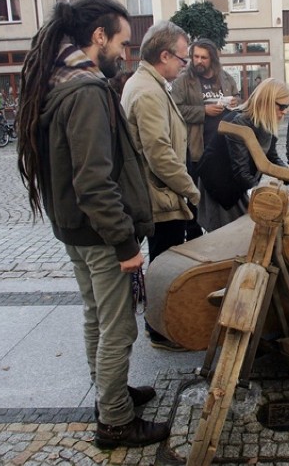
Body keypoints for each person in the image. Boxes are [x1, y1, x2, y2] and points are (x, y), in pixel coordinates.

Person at [15, 0, 168, 449]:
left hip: (76, 230)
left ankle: (111, 397)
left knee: (96, 319)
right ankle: (116, 422)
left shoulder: (58, 78)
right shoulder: (85, 90)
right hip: (100, 236)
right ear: (98, 37)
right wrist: (125, 244)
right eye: (121, 42)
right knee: (117, 327)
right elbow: (95, 182)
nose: (125, 53)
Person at [120, 20, 199, 352]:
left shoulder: (149, 84)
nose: (185, 66)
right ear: (164, 55)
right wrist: (191, 190)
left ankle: (161, 326)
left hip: (162, 194)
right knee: (164, 266)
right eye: (183, 59)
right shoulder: (148, 91)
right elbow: (159, 154)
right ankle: (160, 330)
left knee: (164, 262)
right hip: (161, 198)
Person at [197, 78, 289, 232]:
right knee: (228, 235)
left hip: (238, 183)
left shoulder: (266, 121)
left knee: (242, 233)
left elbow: (270, 156)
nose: (285, 111)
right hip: (219, 185)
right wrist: (268, 195)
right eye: (282, 106)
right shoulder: (239, 122)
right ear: (267, 102)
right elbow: (241, 171)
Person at [171, 38, 239, 240]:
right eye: (195, 57)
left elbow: (237, 99)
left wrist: (235, 102)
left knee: (220, 195)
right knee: (195, 197)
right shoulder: (183, 80)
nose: (198, 61)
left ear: (212, 59)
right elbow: (176, 109)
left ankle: (221, 235)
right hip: (196, 150)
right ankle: (194, 240)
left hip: (223, 150)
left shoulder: (225, 78)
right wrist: (203, 111)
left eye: (203, 57)